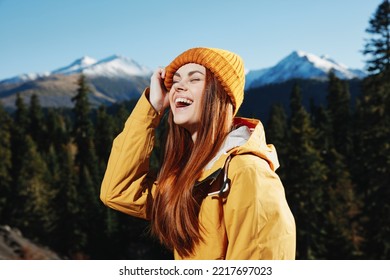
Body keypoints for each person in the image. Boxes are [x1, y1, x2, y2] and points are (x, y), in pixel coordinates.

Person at [100, 47, 296, 260]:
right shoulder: (188, 177)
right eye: (175, 81)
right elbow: (118, 191)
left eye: (194, 79)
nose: (179, 87)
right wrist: (152, 108)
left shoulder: (247, 172)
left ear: (220, 94)